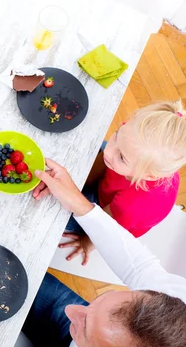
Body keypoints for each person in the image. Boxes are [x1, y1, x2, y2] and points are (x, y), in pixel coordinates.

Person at [0, 159, 186, 347]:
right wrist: (78, 202)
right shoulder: (176, 307)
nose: (70, 311)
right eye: (96, 302)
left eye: (86, 326)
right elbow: (140, 267)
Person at [62, 101, 186, 265]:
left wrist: (88, 241)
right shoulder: (131, 155)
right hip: (115, 181)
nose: (109, 150)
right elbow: (109, 156)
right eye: (117, 133)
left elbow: (103, 226)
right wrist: (81, 181)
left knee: (57, 210)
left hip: (110, 214)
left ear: (148, 176)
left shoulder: (133, 204)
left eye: (121, 156)